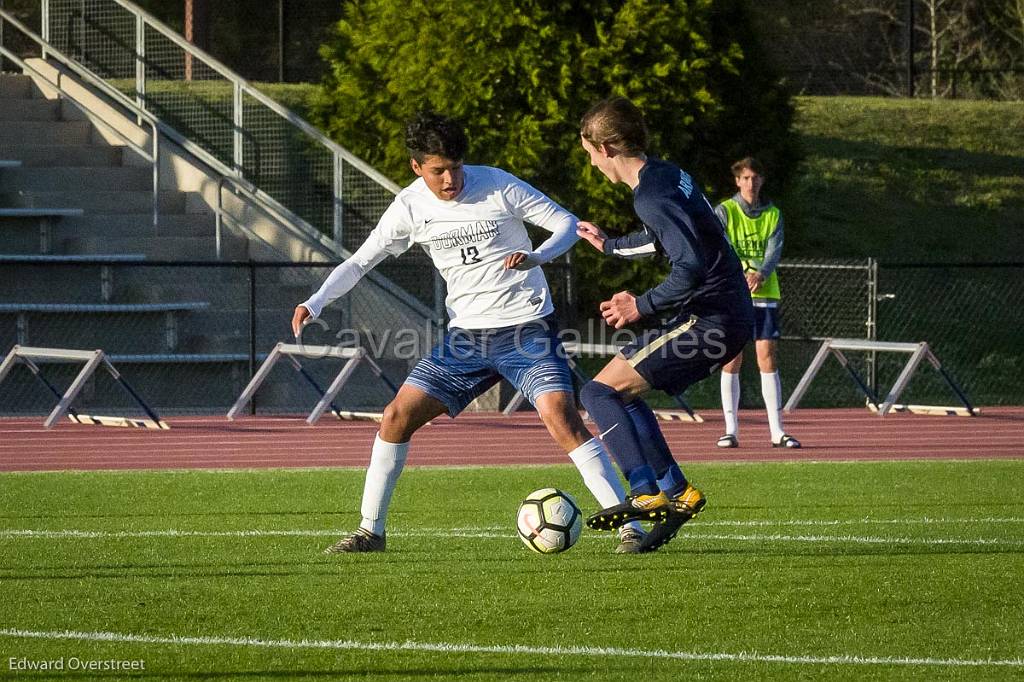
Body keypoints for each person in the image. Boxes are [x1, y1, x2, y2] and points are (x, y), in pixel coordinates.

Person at [292, 111, 646, 554]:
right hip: (466, 339)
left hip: (526, 328)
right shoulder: (409, 206)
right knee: (395, 417)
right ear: (416, 167)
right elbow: (361, 261)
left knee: (561, 415)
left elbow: (567, 225)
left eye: (456, 168)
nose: (450, 179)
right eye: (438, 170)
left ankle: (629, 526)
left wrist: (536, 258)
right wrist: (315, 301)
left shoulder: (497, 183)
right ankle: (370, 532)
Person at [574, 97, 754, 552]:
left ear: (608, 146)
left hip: (710, 320)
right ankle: (678, 494)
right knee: (621, 393)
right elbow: (668, 238)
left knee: (597, 393)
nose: (592, 164)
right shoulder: (666, 175)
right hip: (723, 314)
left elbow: (689, 264)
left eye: (591, 153)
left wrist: (642, 305)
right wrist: (611, 246)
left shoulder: (650, 194)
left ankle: (644, 491)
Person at [715, 157, 801, 449]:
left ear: (761, 181)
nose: (751, 183)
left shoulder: (773, 214)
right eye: (746, 178)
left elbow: (774, 249)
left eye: (755, 178)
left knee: (767, 356)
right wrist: (740, 272)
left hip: (764, 292)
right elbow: (719, 244)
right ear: (737, 181)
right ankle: (731, 430)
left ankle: (777, 431)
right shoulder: (725, 211)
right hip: (733, 292)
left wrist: (761, 273)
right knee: (732, 357)